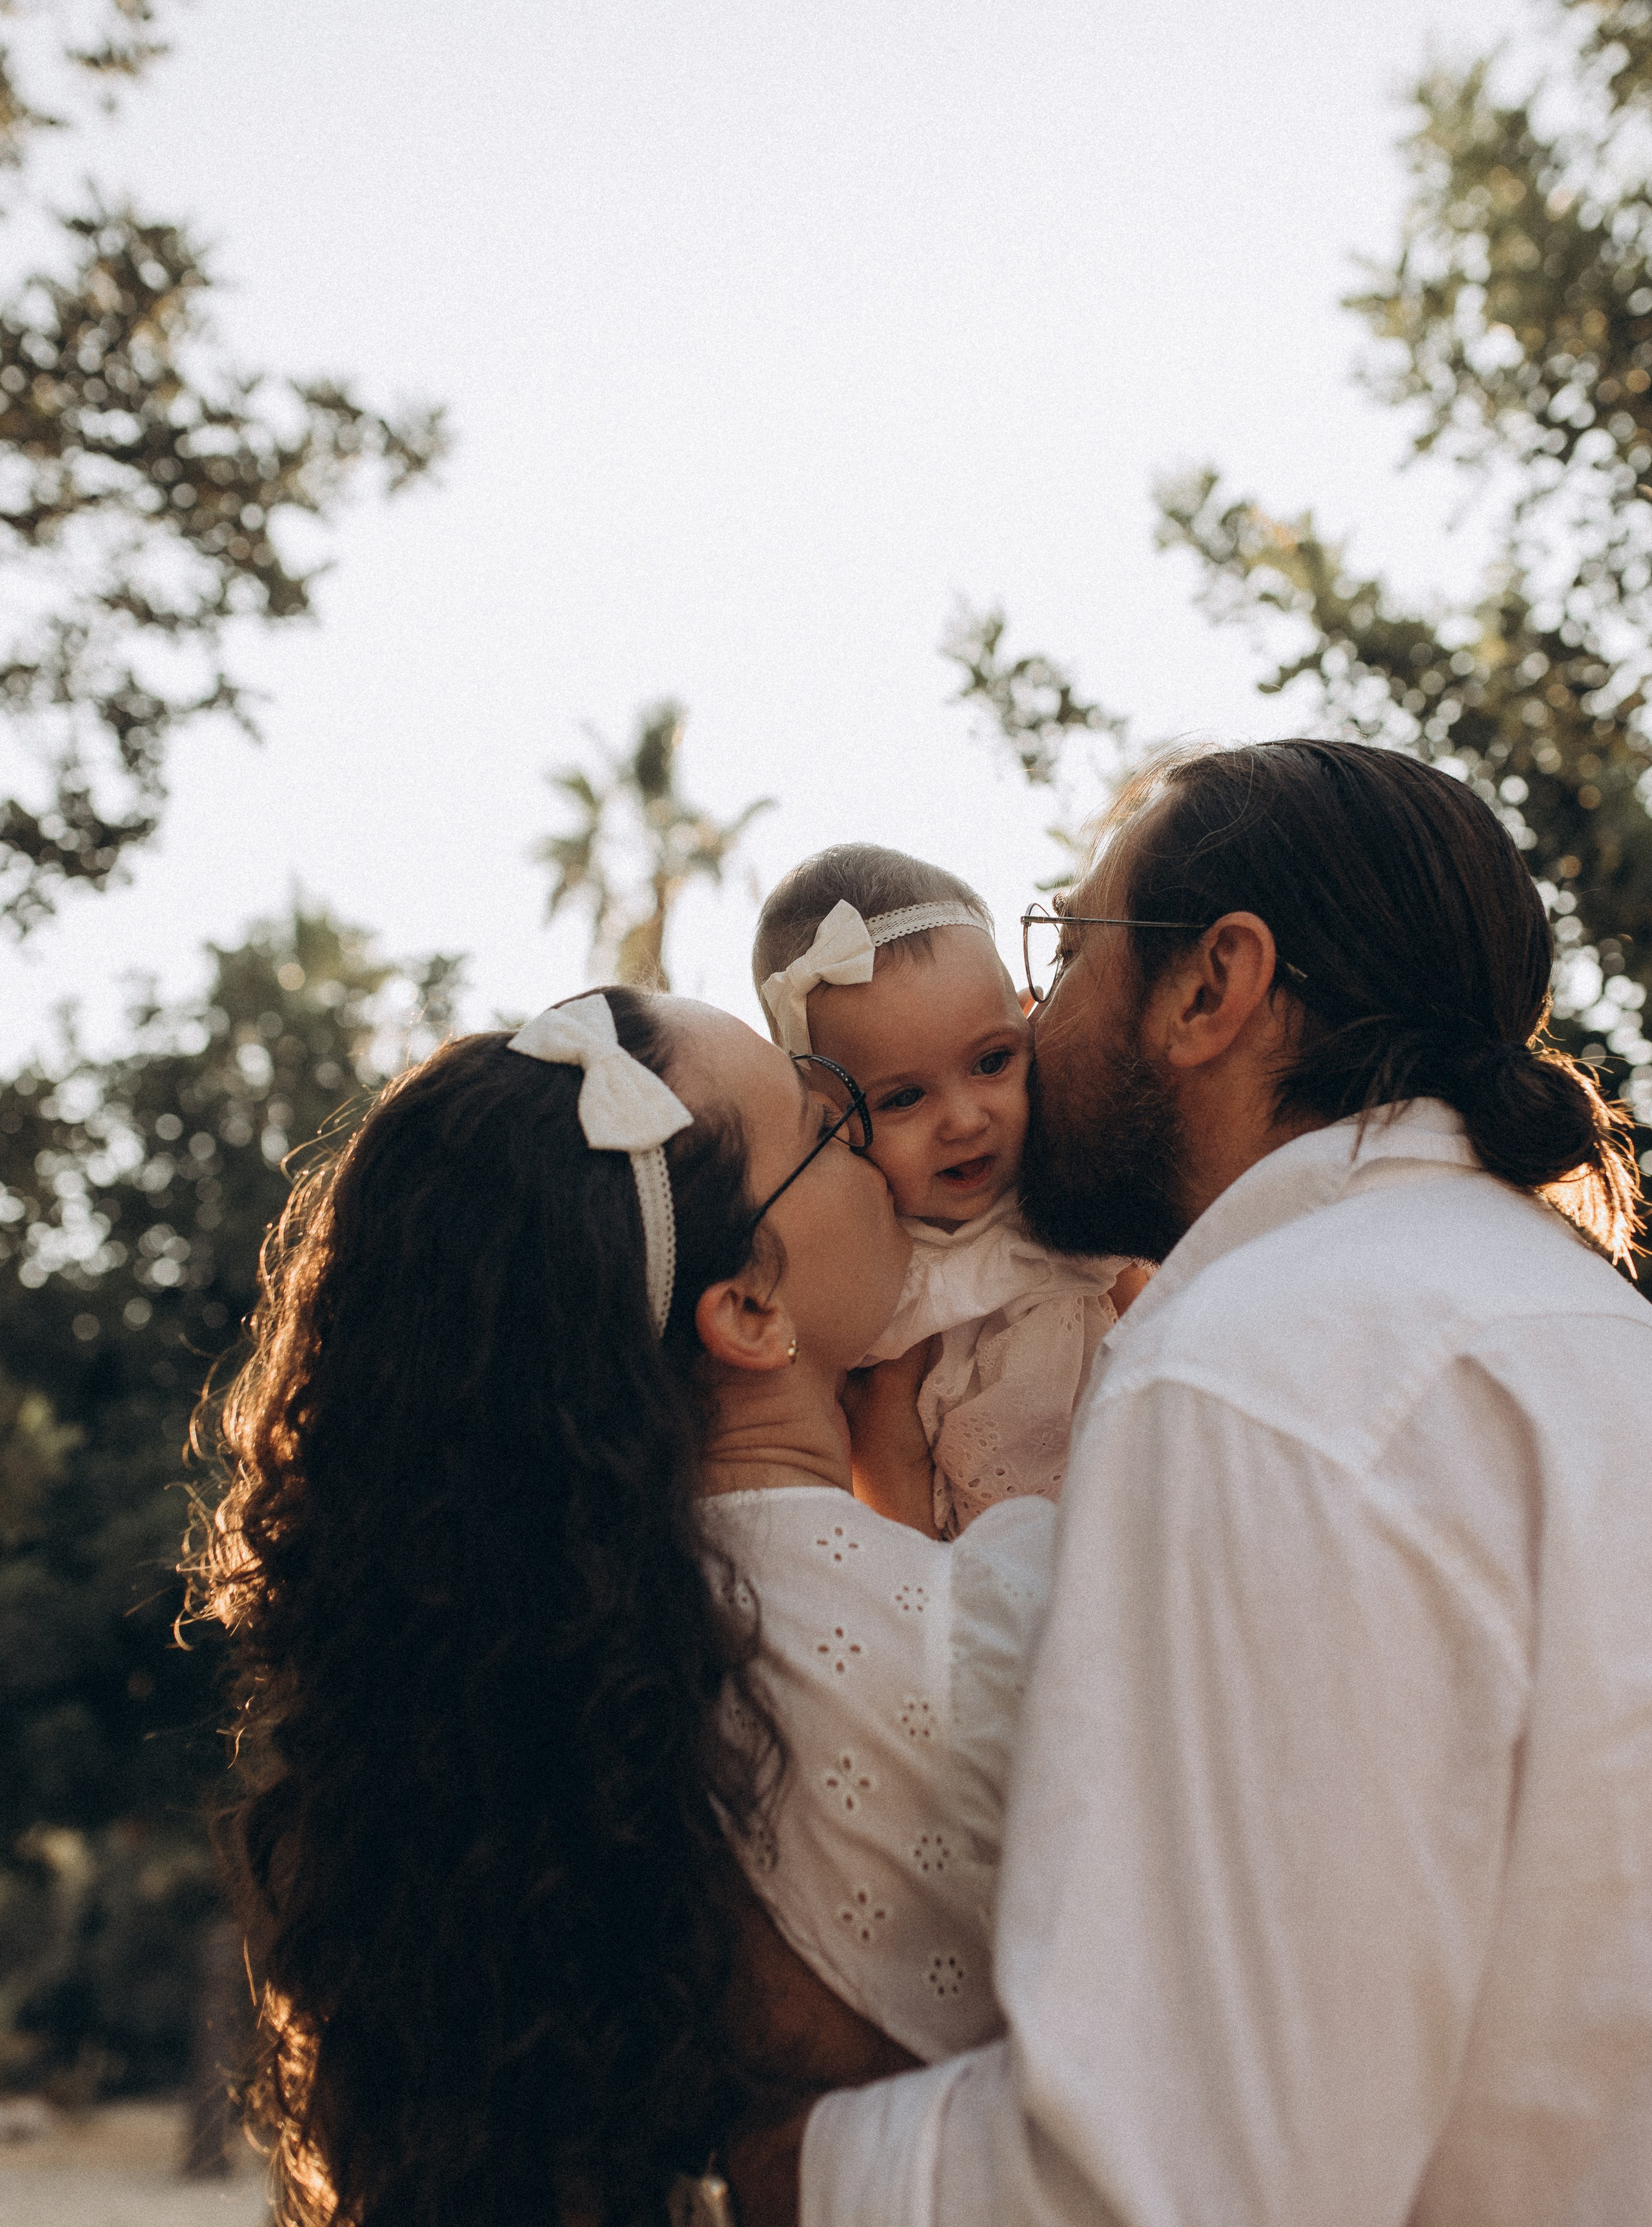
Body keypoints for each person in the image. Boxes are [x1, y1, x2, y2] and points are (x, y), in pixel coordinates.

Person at [730, 740, 1652, 2227]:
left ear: (1212, 985)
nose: (1034, 1014)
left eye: (1065, 942)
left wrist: (782, 2168)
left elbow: (1176, 2178)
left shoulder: (1241, 1373)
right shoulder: (1595, 1337)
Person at [188, 985, 1058, 2225]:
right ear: (749, 1311)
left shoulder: (524, 1702)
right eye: (829, 1126)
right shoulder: (989, 1621)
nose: (880, 1148)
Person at [754, 846, 1144, 1535]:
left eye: (992, 1062)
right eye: (903, 1098)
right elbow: (873, 1489)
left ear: (1028, 1022)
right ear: (828, 1119)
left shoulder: (1067, 1197)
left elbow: (1152, 1322)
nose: (965, 1121)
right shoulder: (867, 1289)